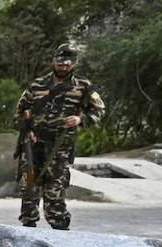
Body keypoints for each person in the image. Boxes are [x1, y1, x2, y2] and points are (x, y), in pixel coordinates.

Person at [15, 44, 105, 229]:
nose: (63, 67)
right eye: (60, 63)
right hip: (32, 150)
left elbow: (99, 110)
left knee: (55, 198)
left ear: (73, 64)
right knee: (29, 194)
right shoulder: (37, 85)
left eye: (67, 64)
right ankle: (28, 233)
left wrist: (80, 119)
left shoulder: (83, 87)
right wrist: (27, 129)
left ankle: (61, 235)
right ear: (53, 62)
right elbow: (21, 109)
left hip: (60, 151)